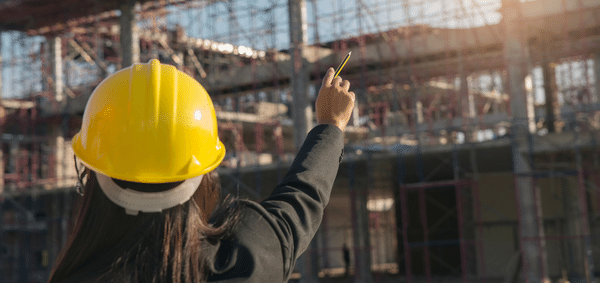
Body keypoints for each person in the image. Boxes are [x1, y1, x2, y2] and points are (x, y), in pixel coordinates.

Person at [47, 59, 355, 283]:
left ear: (91, 177)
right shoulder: (245, 260)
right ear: (204, 174)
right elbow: (300, 198)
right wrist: (331, 126)